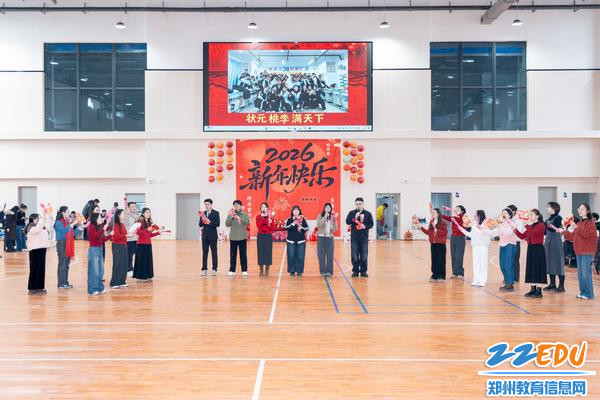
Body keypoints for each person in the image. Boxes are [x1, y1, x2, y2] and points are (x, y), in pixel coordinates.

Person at [560, 203, 597, 300]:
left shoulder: (591, 222)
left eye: (582, 209)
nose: (580, 210)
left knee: (586, 273)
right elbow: (573, 237)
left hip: (587, 251)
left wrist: (576, 227)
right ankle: (583, 292)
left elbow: (587, 234)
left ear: (587, 211)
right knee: (580, 274)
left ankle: (589, 294)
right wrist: (563, 231)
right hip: (579, 251)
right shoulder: (580, 223)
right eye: (579, 209)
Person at [452, 210, 494, 287]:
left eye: (475, 215)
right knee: (476, 263)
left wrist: (477, 226)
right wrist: (462, 230)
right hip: (475, 246)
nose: (474, 216)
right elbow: (471, 235)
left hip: (483, 246)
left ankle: (482, 281)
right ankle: (476, 280)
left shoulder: (486, 223)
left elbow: (481, 232)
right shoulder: (474, 224)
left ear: (480, 216)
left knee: (483, 264)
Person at [512, 209, 547, 298]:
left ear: (537, 216)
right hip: (531, 248)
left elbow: (534, 233)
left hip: (538, 249)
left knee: (538, 269)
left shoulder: (541, 225)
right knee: (531, 268)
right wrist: (514, 229)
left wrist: (526, 225)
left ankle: (539, 291)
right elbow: (522, 236)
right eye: (529, 214)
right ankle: (533, 289)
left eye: (531, 214)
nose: (530, 216)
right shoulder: (530, 226)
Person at [413, 208, 448, 282]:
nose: (432, 214)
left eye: (434, 212)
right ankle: (435, 275)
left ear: (438, 213)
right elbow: (429, 232)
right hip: (433, 244)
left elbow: (445, 233)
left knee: (441, 260)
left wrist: (437, 231)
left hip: (441, 244)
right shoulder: (431, 222)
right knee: (434, 260)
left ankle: (441, 276)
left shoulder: (443, 223)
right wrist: (421, 227)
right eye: (432, 213)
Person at [345, 197, 374, 277]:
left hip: (364, 238)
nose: (358, 205)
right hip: (354, 238)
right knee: (354, 256)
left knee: (364, 256)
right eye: (357, 204)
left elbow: (371, 224)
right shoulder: (352, 213)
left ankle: (363, 271)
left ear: (363, 204)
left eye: (360, 204)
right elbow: (347, 221)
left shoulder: (368, 213)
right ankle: (355, 271)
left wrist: (365, 226)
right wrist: (354, 216)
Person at [54, 206, 80, 289]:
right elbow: (64, 231)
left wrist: (80, 228)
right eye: (68, 212)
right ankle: (61, 283)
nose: (69, 214)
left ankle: (65, 282)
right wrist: (72, 224)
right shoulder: (58, 222)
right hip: (62, 244)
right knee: (62, 263)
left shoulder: (67, 222)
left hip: (68, 244)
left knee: (66, 264)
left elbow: (73, 232)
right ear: (63, 213)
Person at [133, 208, 163, 281]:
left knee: (147, 261)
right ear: (143, 213)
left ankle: (148, 275)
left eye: (149, 212)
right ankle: (141, 277)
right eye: (147, 212)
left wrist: (158, 233)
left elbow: (149, 235)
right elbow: (138, 233)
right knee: (142, 261)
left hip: (148, 244)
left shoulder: (149, 223)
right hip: (141, 245)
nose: (149, 214)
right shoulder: (140, 222)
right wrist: (146, 230)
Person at [25, 212, 50, 295]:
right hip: (35, 250)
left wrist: (47, 216)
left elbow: (48, 227)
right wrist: (43, 218)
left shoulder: (40, 226)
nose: (40, 220)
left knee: (41, 269)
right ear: (34, 219)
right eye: (38, 218)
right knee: (34, 269)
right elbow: (37, 229)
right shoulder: (31, 227)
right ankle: (32, 289)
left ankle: (39, 288)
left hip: (41, 249)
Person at [543, 202, 565, 293]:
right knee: (549, 262)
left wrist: (544, 224)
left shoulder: (558, 218)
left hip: (556, 243)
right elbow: (545, 231)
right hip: (548, 242)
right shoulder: (548, 219)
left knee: (558, 262)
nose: (547, 208)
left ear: (554, 208)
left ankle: (561, 286)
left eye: (548, 207)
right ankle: (552, 284)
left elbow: (554, 229)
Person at [225, 200, 250, 276]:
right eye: (235, 205)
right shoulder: (231, 214)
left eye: (238, 205)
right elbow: (227, 224)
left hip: (242, 237)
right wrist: (232, 217)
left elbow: (247, 222)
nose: (236, 207)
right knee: (233, 255)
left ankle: (244, 270)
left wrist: (240, 218)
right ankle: (232, 270)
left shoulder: (244, 214)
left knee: (243, 255)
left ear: (241, 206)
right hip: (233, 237)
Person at [496, 208, 519, 291]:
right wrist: (484, 230)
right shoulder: (502, 224)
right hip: (502, 245)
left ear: (509, 215)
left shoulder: (513, 223)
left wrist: (500, 225)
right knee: (502, 265)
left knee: (508, 265)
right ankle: (507, 282)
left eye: (505, 213)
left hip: (510, 245)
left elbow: (508, 233)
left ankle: (510, 284)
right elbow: (495, 233)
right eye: (503, 213)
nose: (504, 214)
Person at [87, 212, 110, 295]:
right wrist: (103, 229)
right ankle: (92, 289)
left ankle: (100, 287)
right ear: (95, 219)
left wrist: (110, 235)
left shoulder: (98, 226)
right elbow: (95, 237)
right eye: (100, 218)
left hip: (100, 249)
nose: (101, 219)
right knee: (94, 271)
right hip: (94, 250)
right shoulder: (91, 226)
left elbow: (101, 239)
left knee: (101, 270)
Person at [441, 205, 467, 279]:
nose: (455, 210)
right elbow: (446, 217)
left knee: (459, 256)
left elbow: (461, 221)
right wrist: (439, 214)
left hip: (460, 238)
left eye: (457, 209)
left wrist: (452, 211)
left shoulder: (464, 217)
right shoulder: (454, 218)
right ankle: (454, 273)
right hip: (453, 238)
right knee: (453, 256)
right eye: (455, 209)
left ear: (462, 211)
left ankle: (460, 273)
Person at [285, 206, 309, 276]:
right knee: (291, 256)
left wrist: (301, 227)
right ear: (292, 212)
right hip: (291, 241)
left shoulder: (303, 219)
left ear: (299, 212)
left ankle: (299, 271)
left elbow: (307, 228)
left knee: (300, 257)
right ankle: (291, 271)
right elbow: (285, 227)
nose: (295, 211)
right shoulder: (289, 219)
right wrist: (293, 224)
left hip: (301, 241)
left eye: (297, 210)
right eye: (294, 210)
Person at [199, 199, 220, 276]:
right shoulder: (203, 213)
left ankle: (214, 269)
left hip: (213, 236)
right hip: (205, 236)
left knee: (214, 252)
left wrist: (209, 222)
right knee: (205, 253)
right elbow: (200, 224)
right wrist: (203, 220)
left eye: (208, 204)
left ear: (211, 204)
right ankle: (204, 269)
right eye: (205, 204)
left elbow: (217, 224)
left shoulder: (216, 213)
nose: (206, 206)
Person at [108, 209, 129, 289]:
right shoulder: (116, 225)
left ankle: (122, 281)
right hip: (117, 246)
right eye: (123, 213)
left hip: (124, 245)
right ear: (119, 215)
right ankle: (114, 282)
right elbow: (116, 236)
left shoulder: (122, 224)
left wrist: (128, 234)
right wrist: (126, 236)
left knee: (124, 263)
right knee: (118, 263)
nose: (124, 215)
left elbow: (124, 234)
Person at [317, 203, 337, 277]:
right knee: (321, 255)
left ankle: (329, 272)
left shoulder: (333, 217)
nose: (328, 209)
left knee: (330, 255)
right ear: (324, 208)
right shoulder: (320, 215)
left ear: (331, 209)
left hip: (330, 238)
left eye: (329, 207)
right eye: (326, 207)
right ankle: (323, 271)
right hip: (321, 237)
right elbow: (318, 225)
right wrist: (325, 217)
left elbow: (335, 230)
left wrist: (332, 226)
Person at [256, 202, 274, 276]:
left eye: (265, 207)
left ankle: (267, 269)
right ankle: (261, 270)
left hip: (268, 236)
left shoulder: (270, 217)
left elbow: (271, 228)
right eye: (262, 207)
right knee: (260, 252)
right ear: (260, 209)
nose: (263, 208)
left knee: (268, 252)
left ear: (267, 208)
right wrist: (263, 218)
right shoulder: (258, 217)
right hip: (260, 236)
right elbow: (259, 226)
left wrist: (267, 219)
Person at [507, 205, 524, 282]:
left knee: (515, 260)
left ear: (513, 211)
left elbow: (519, 232)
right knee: (508, 261)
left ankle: (516, 278)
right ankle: (509, 277)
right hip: (508, 242)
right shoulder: (508, 220)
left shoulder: (518, 221)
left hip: (515, 242)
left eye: (509, 210)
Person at [123, 199, 139, 275]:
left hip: (137, 238)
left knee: (138, 255)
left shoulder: (137, 215)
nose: (134, 208)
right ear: (128, 207)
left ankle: (137, 269)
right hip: (129, 239)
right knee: (129, 255)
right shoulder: (126, 215)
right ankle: (129, 269)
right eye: (132, 206)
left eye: (135, 206)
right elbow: (125, 226)